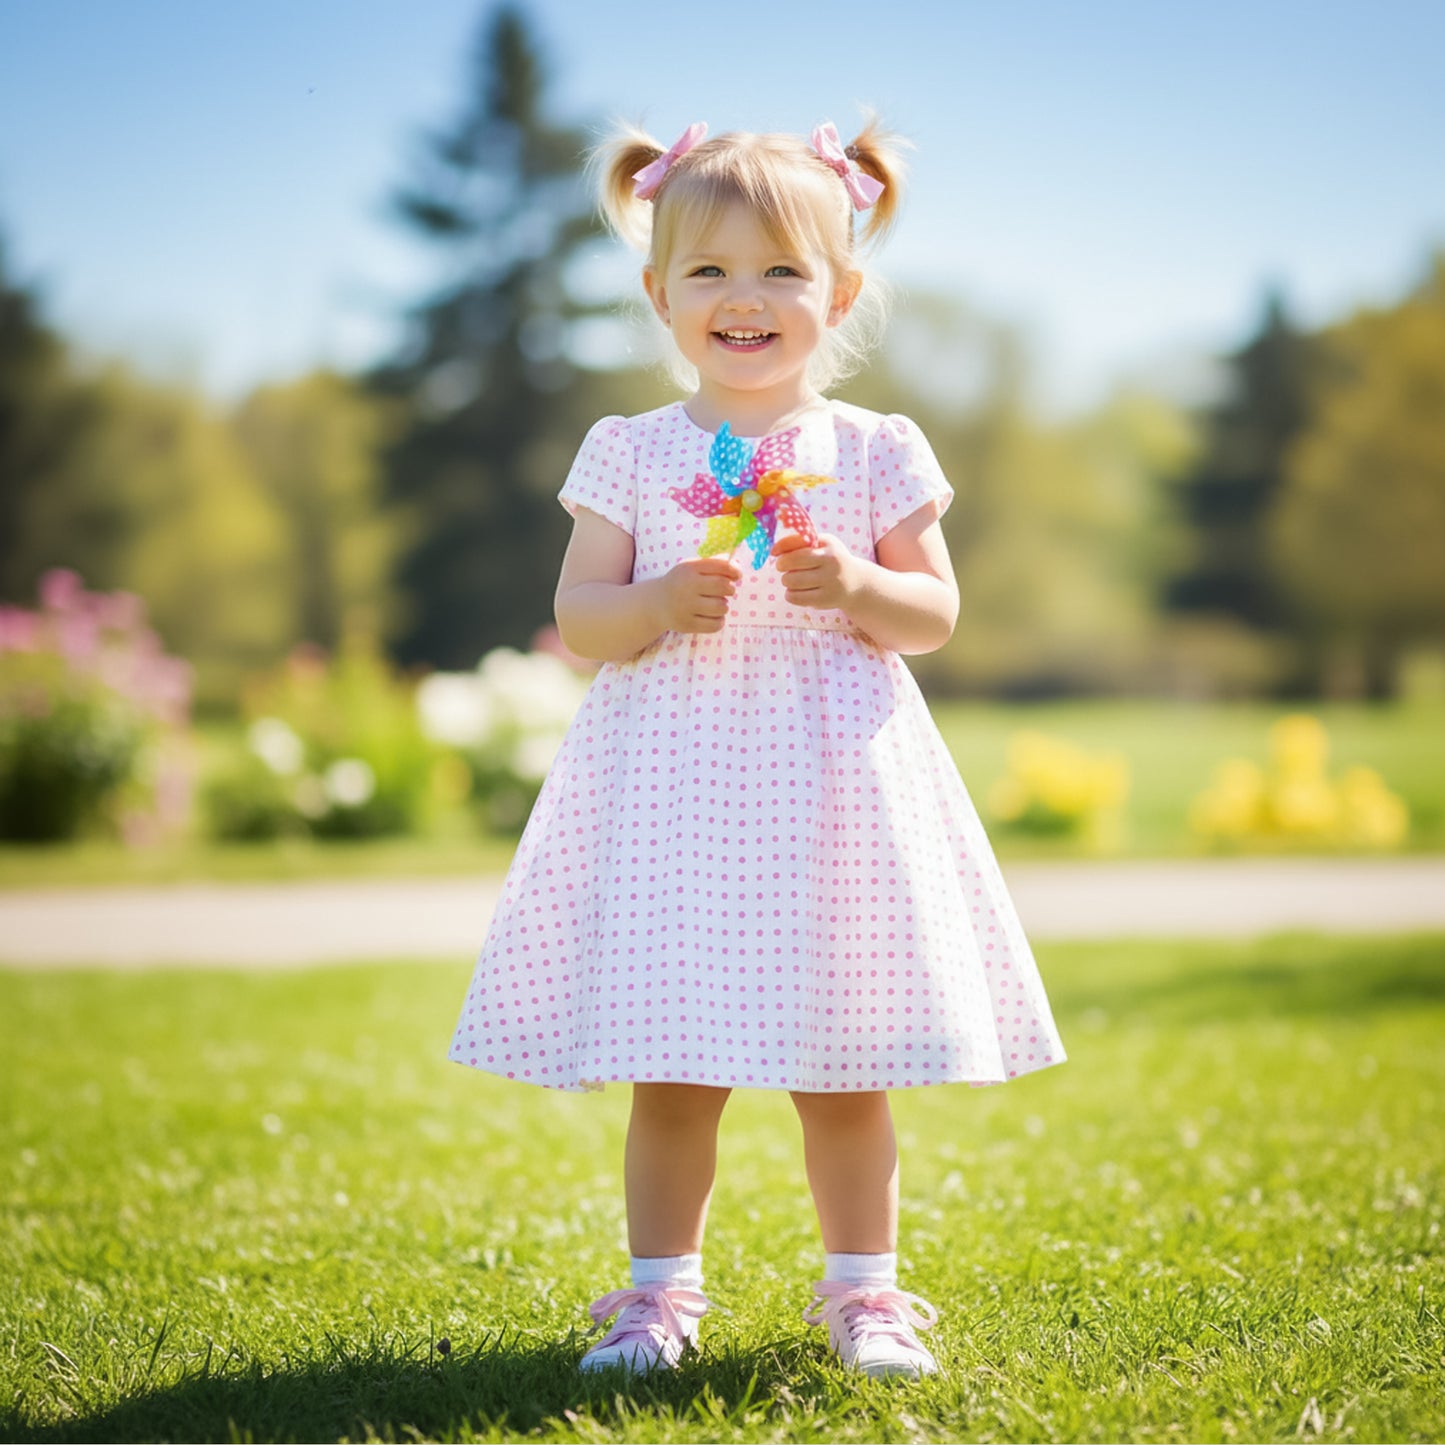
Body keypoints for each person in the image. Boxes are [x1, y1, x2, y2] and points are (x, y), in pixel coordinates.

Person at [448, 116, 1066, 1380]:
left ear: (837, 292)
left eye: (781, 270)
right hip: (676, 792)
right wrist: (655, 603)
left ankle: (865, 1295)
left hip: (836, 793)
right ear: (658, 294)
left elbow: (935, 615)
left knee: (842, 1066)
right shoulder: (627, 450)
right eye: (710, 272)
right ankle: (655, 1297)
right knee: (672, 1066)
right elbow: (579, 619)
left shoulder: (878, 448)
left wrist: (853, 582)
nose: (746, 299)